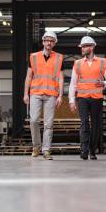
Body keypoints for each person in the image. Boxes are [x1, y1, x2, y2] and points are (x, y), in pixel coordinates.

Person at [69, 36, 106, 160]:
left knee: (95, 125)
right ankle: (84, 150)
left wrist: (104, 83)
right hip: (82, 98)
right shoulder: (77, 64)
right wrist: (72, 100)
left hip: (97, 98)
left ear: (92, 47)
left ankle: (92, 150)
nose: (82, 48)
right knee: (84, 124)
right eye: (82, 46)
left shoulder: (102, 62)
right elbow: (73, 83)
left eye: (85, 46)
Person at [23, 31, 64, 160]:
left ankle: (46, 150)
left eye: (51, 40)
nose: (49, 42)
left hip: (51, 95)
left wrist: (61, 95)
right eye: (47, 40)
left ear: (55, 43)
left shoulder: (59, 58)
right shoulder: (33, 57)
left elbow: (61, 78)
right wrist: (26, 94)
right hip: (35, 93)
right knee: (33, 120)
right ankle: (36, 147)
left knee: (49, 124)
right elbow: (29, 77)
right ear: (43, 42)